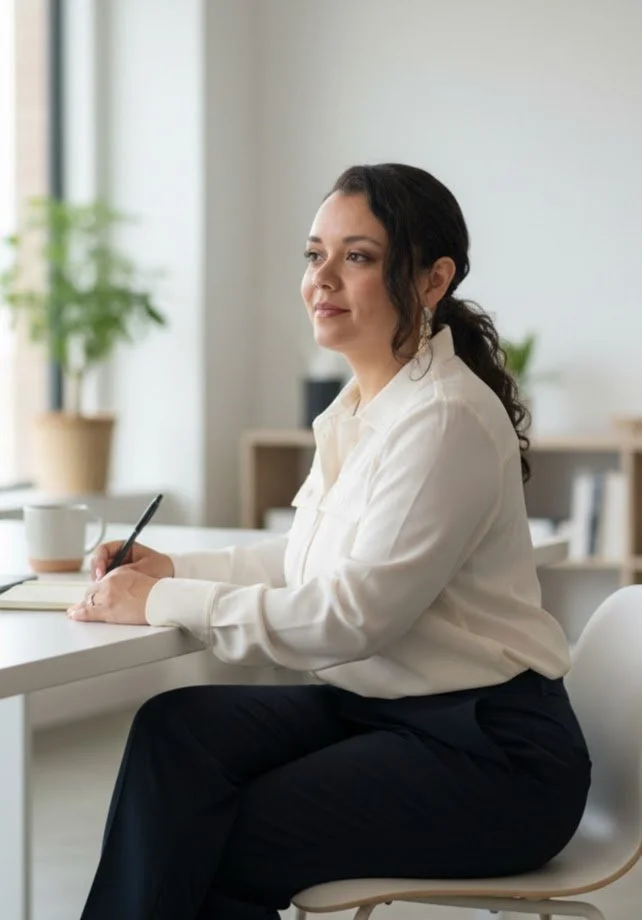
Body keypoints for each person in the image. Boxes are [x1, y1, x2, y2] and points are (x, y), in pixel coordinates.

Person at [70, 163, 591, 920]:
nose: (323, 279)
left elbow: (350, 618)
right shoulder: (362, 405)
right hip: (383, 709)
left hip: (491, 755)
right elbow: (301, 561)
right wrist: (172, 567)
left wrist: (163, 599)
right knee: (174, 733)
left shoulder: (443, 420)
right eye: (315, 255)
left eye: (358, 257)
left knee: (215, 835)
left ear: (430, 279)